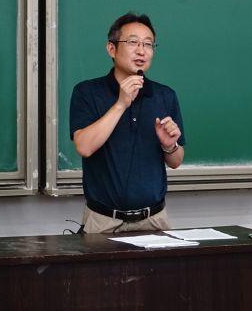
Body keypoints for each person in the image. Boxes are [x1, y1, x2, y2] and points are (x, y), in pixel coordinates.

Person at [69, 12, 186, 233]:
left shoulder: (164, 96)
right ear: (111, 49)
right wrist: (121, 104)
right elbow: (84, 147)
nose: (142, 51)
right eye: (133, 42)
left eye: (148, 44)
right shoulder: (87, 92)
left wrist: (169, 145)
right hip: (103, 221)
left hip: (154, 220)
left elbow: (176, 161)